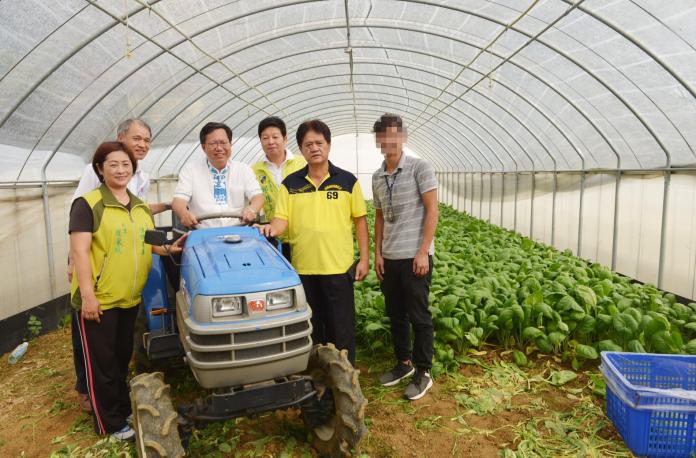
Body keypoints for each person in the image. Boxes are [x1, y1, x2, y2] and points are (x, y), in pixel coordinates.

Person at [69, 142, 186, 440]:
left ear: (133, 169)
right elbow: (80, 252)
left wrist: (168, 248)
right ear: (100, 169)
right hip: (100, 299)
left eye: (126, 165)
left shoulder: (137, 204)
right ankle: (109, 425)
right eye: (113, 164)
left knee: (121, 359)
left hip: (130, 296)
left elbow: (146, 241)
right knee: (102, 365)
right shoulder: (88, 204)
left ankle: (122, 412)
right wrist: (88, 296)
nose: (121, 170)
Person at [258, 120, 369, 364]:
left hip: (338, 268)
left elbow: (360, 221)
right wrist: (267, 228)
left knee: (342, 326)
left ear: (328, 145)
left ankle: (345, 373)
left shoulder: (348, 181)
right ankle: (318, 377)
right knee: (312, 326)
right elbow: (280, 222)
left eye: (319, 143)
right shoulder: (291, 184)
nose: (314, 148)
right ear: (300, 148)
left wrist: (365, 258)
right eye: (308, 144)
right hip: (304, 269)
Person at [371, 113, 439, 401]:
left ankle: (424, 370)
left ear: (404, 137)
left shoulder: (419, 168)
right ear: (378, 141)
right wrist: (377, 253)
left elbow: (432, 210)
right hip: (390, 256)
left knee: (419, 315)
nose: (390, 141)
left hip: (414, 257)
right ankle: (404, 363)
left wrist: (423, 251)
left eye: (395, 135)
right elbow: (378, 217)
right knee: (396, 315)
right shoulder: (377, 176)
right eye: (384, 136)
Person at [172, 121, 264, 228]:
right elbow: (178, 200)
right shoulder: (190, 170)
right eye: (213, 143)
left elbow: (258, 196)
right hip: (203, 233)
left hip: (239, 232)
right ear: (203, 147)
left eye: (223, 142)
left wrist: (251, 210)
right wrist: (184, 214)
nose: (219, 148)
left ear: (230, 144)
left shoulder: (243, 169)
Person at [252, 116, 306, 260]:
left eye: (275, 137)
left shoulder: (303, 164)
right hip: (272, 237)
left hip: (303, 235)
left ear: (285, 138)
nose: (270, 142)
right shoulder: (254, 171)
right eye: (265, 138)